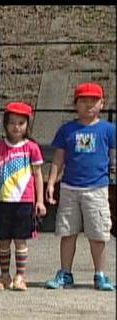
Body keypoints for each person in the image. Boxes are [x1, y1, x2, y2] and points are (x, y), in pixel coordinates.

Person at [45, 82, 116, 291]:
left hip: (97, 188)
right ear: (75, 104)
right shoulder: (67, 129)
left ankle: (100, 274)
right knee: (67, 232)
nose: (88, 105)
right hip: (69, 188)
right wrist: (51, 182)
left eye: (93, 101)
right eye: (83, 101)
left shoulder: (109, 129)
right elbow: (58, 158)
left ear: (102, 104)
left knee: (98, 233)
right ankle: (65, 272)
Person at [0, 102, 47, 291]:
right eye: (12, 122)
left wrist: (39, 201)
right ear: (5, 124)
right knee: (4, 240)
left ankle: (20, 276)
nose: (16, 126)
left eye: (21, 123)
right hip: (2, 199)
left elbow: (38, 174)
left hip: (24, 200)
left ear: (27, 125)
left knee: (21, 239)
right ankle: (4, 275)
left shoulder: (32, 147)